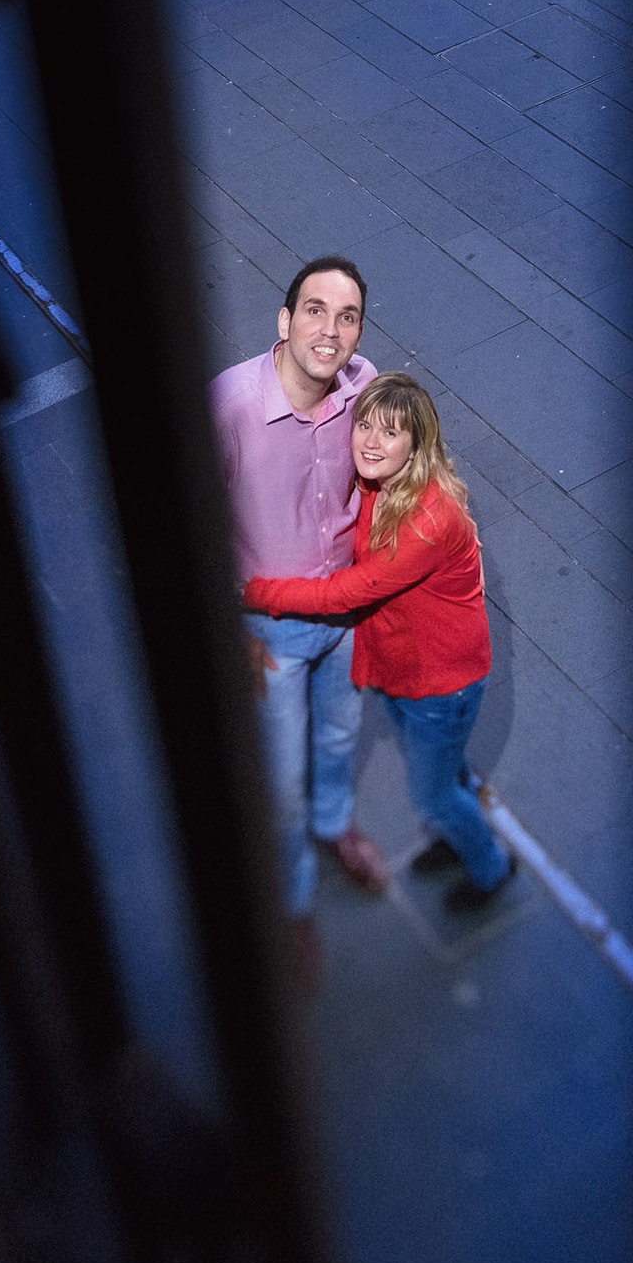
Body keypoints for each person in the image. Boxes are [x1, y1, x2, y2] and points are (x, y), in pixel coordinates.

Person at [241, 373, 516, 914]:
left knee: (432, 792)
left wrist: (256, 590)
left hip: (441, 683)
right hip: (404, 668)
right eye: (364, 424)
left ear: (417, 443)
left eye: (390, 433)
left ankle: (489, 866)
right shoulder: (382, 484)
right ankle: (456, 831)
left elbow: (349, 591)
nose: (370, 440)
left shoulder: (427, 520)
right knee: (447, 770)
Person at [208, 260, 390, 989]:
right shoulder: (229, 404)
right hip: (269, 629)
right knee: (278, 780)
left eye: (345, 316)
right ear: (282, 322)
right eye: (314, 310)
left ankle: (334, 824)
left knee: (340, 735)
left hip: (345, 612)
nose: (330, 329)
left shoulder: (361, 384)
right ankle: (290, 901)